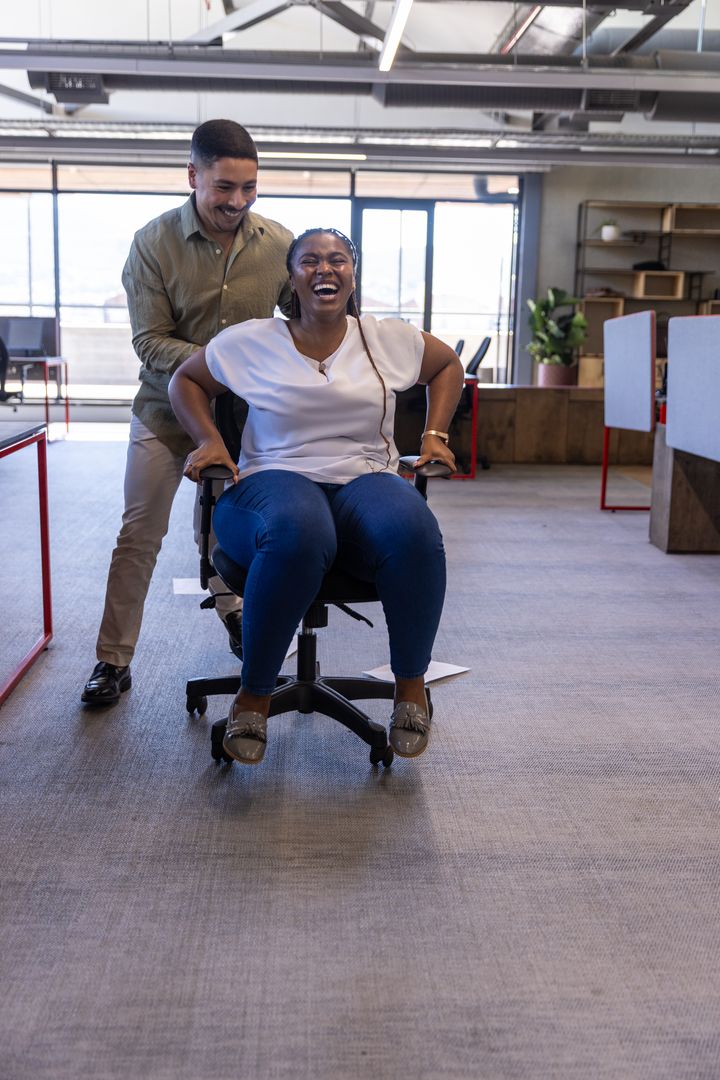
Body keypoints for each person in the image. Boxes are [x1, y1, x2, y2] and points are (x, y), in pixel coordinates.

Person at [168, 227, 464, 765]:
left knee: (414, 529)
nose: (324, 269)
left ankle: (410, 686)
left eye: (337, 259)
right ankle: (254, 695)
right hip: (270, 480)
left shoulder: (385, 337)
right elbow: (185, 381)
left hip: (364, 477)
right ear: (291, 277)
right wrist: (209, 440)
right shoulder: (252, 340)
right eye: (309, 261)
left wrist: (434, 434)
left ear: (353, 274)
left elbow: (447, 366)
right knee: (299, 531)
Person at [81, 119, 293, 706]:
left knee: (237, 531)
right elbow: (149, 341)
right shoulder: (153, 243)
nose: (237, 201)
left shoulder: (278, 244)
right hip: (164, 412)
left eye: (249, 188)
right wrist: (223, 363)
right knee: (139, 534)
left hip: (246, 419)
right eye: (224, 187)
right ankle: (112, 660)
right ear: (193, 176)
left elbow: (305, 323)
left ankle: (238, 619)